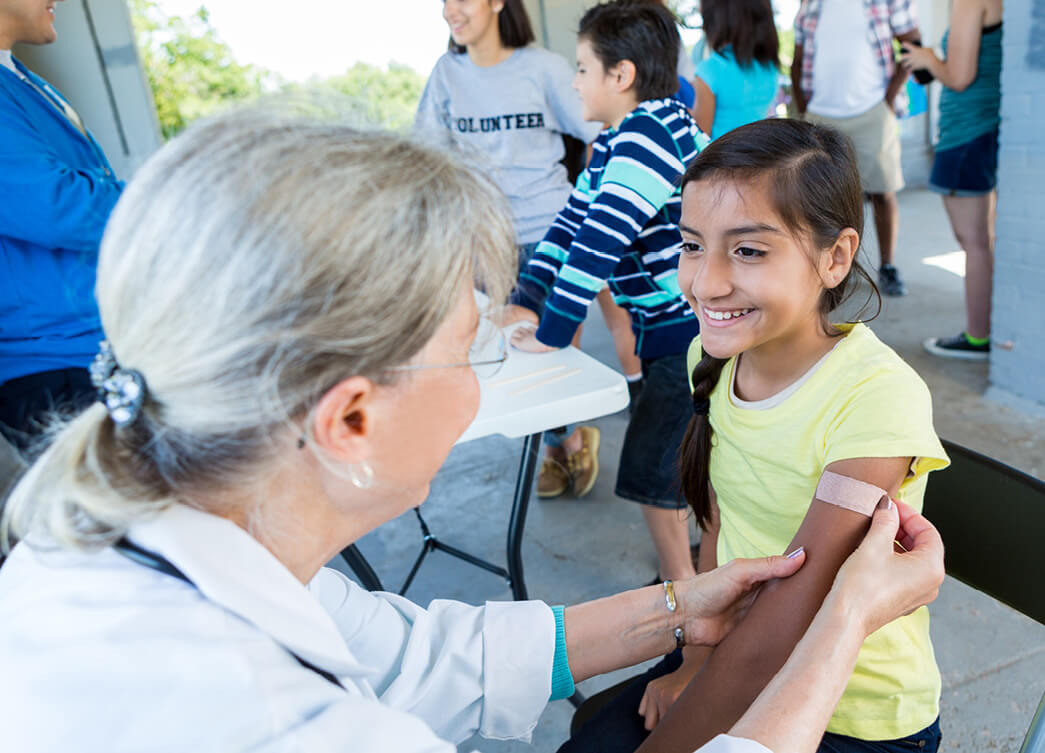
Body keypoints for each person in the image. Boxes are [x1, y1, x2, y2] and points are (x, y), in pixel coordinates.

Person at [0, 108, 947, 753]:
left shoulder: (132, 552)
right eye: (471, 350)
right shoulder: (273, 723)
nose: (480, 379)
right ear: (352, 418)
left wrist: (677, 610)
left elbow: (407, 653)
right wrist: (847, 618)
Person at [562, 119, 950, 752]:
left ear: (836, 257)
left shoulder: (875, 398)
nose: (707, 282)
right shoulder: (711, 359)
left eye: (748, 250)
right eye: (692, 244)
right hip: (730, 656)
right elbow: (721, 525)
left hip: (852, 713)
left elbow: (781, 632)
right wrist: (693, 658)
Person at [504, 0, 707, 585]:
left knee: (653, 467)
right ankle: (700, 574)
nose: (574, 80)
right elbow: (569, 224)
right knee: (684, 458)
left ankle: (684, 596)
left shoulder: (650, 132)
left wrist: (550, 330)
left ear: (622, 76)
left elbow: (600, 239)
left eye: (583, 67)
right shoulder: (620, 138)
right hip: (667, 329)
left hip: (690, 332)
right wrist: (527, 295)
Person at [415, 0, 643, 493]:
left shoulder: (542, 67)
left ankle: (571, 448)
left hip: (551, 234)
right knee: (509, 363)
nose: (450, 10)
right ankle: (561, 448)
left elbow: (604, 129)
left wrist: (603, 197)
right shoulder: (445, 75)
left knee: (549, 360)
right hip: (486, 248)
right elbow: (429, 160)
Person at [0, 0, 124, 452]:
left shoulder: (22, 81)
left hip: (92, 352)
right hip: (53, 372)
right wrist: (170, 196)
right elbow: (53, 206)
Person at [790, 0, 922, 297]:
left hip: (872, 109)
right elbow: (797, 59)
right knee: (820, 196)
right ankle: (828, 267)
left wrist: (889, 97)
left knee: (882, 191)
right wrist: (804, 107)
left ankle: (887, 266)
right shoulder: (811, 4)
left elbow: (913, 44)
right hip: (820, 114)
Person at [900, 0, 1003, 360]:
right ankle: (989, 329)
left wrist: (928, 59)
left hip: (966, 133)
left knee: (973, 243)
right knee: (982, 239)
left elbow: (959, 76)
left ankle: (978, 337)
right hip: (984, 128)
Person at [692, 0, 779, 140]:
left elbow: (700, 137)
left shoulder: (710, 70)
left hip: (721, 159)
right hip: (759, 157)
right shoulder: (769, 67)